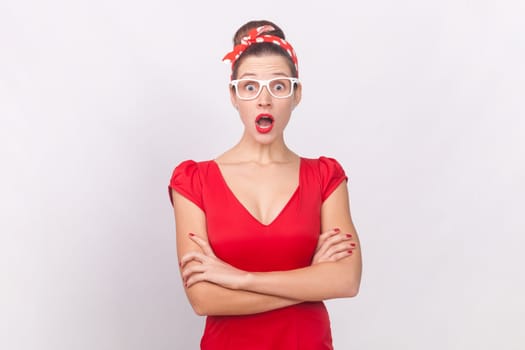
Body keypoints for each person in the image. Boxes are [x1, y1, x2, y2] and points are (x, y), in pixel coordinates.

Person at [169, 20, 362, 350]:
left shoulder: (325, 177)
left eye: (278, 86)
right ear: (234, 95)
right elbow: (203, 299)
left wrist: (241, 279)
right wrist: (310, 280)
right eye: (249, 87)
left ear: (296, 94)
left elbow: (346, 280)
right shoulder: (193, 181)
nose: (264, 100)